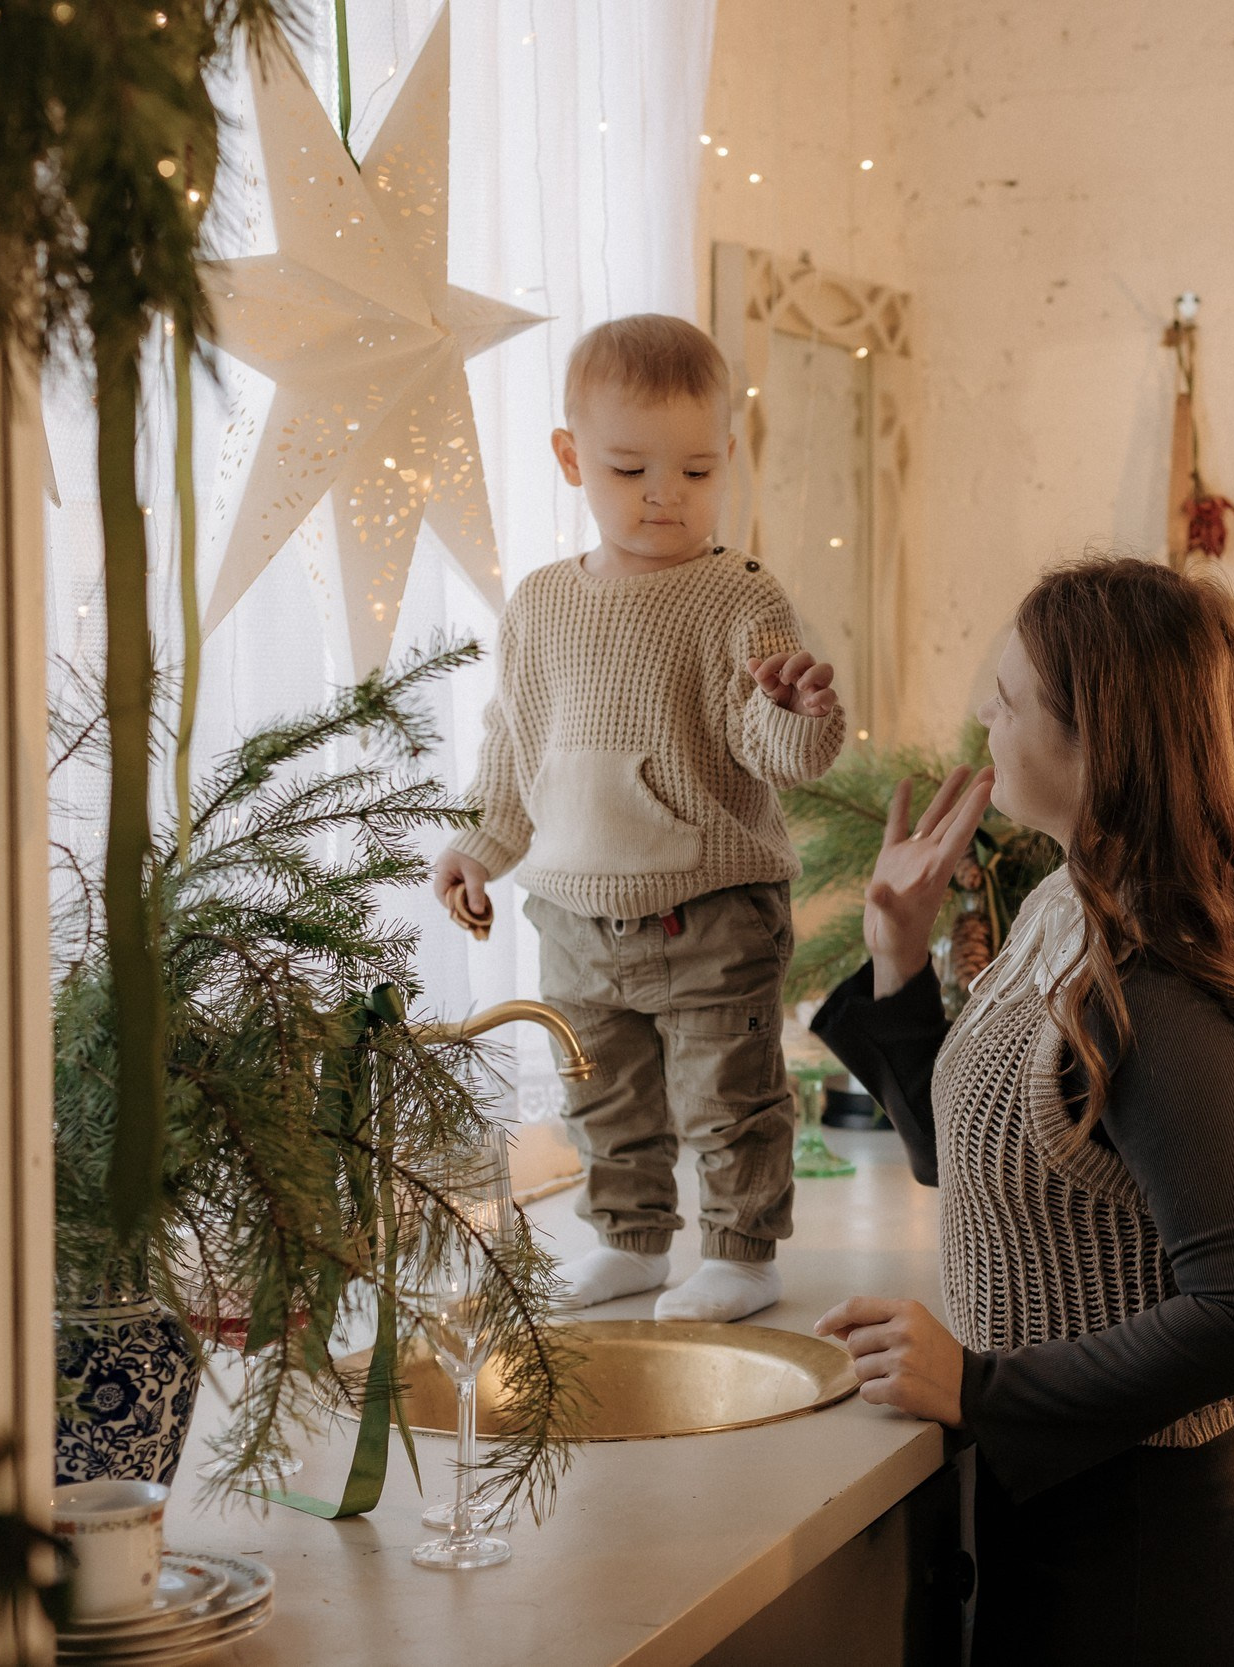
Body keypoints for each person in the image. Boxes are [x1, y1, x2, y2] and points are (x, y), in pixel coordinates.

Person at [808, 558, 1234, 1666]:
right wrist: (895, 959)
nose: (981, 722)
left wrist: (980, 1382)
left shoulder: (1155, 975)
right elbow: (975, 1157)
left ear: (1098, 739)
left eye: (1006, 701)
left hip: (1156, 1543)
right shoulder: (1067, 896)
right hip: (1069, 1495)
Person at [428, 313, 845, 1324]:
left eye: (696, 472)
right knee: (603, 1093)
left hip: (709, 908)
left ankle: (743, 1253)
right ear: (571, 458)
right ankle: (629, 1239)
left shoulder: (737, 594)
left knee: (727, 1091)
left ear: (726, 459)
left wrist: (798, 712)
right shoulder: (538, 603)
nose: (664, 494)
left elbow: (776, 751)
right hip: (572, 912)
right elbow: (513, 743)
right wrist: (480, 846)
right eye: (629, 469)